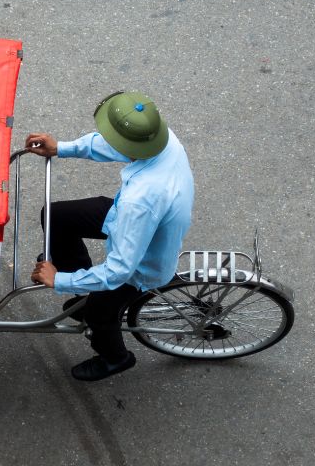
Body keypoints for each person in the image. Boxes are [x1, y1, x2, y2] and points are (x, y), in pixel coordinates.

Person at [27, 91, 194, 381]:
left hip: (141, 262)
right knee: (56, 216)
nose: (109, 141)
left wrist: (59, 281)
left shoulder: (140, 200)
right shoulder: (160, 136)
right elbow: (115, 144)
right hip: (131, 217)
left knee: (99, 315)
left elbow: (119, 270)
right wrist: (62, 148)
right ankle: (79, 284)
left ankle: (115, 358)